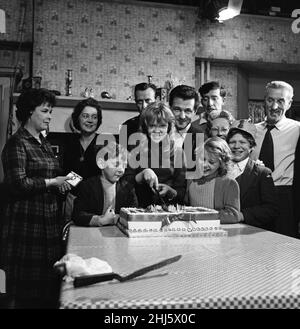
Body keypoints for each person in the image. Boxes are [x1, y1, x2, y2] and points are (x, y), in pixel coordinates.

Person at [0, 88, 72, 308]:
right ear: (29, 112)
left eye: (51, 111)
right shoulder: (17, 143)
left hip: (48, 221)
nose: (50, 116)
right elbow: (17, 184)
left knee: (46, 285)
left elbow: (51, 173)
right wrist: (52, 183)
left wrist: (62, 184)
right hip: (26, 223)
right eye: (45, 111)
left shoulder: (43, 143)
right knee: (24, 291)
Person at [251, 81, 300, 238]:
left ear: (290, 103)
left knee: (285, 248)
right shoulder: (251, 130)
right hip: (255, 196)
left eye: (280, 101)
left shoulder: (298, 130)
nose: (274, 106)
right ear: (264, 100)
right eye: (270, 100)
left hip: (285, 197)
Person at [124, 101, 186, 208]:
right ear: (144, 127)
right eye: (152, 125)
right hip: (138, 208)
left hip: (168, 210)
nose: (157, 130)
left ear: (169, 127)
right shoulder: (134, 148)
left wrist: (171, 191)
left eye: (162, 126)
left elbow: (183, 191)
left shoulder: (178, 153)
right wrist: (142, 174)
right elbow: (124, 185)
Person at [227, 120, 278, 231]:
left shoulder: (262, 173)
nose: (236, 146)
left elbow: (270, 209)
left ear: (252, 147)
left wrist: (242, 215)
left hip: (250, 232)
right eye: (232, 142)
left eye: (242, 142)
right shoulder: (219, 171)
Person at [72, 141, 138, 226]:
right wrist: (100, 220)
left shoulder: (127, 187)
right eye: (116, 164)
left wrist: (119, 218)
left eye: (124, 165)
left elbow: (134, 212)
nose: (121, 170)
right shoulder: (87, 186)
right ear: (101, 164)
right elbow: (77, 215)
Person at [185, 137, 240, 224]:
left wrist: (201, 217)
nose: (205, 165)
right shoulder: (191, 180)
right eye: (202, 159)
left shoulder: (228, 183)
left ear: (221, 164)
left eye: (212, 162)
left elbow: (233, 215)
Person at [63, 97, 103, 181]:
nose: (90, 120)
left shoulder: (105, 144)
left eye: (94, 117)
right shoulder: (69, 144)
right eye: (85, 116)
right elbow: (65, 173)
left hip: (97, 192)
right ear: (78, 118)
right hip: (72, 192)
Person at [120, 82, 157, 149]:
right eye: (140, 102)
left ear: (157, 100)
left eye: (148, 101)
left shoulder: (166, 125)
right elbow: (122, 157)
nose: (144, 106)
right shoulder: (125, 127)